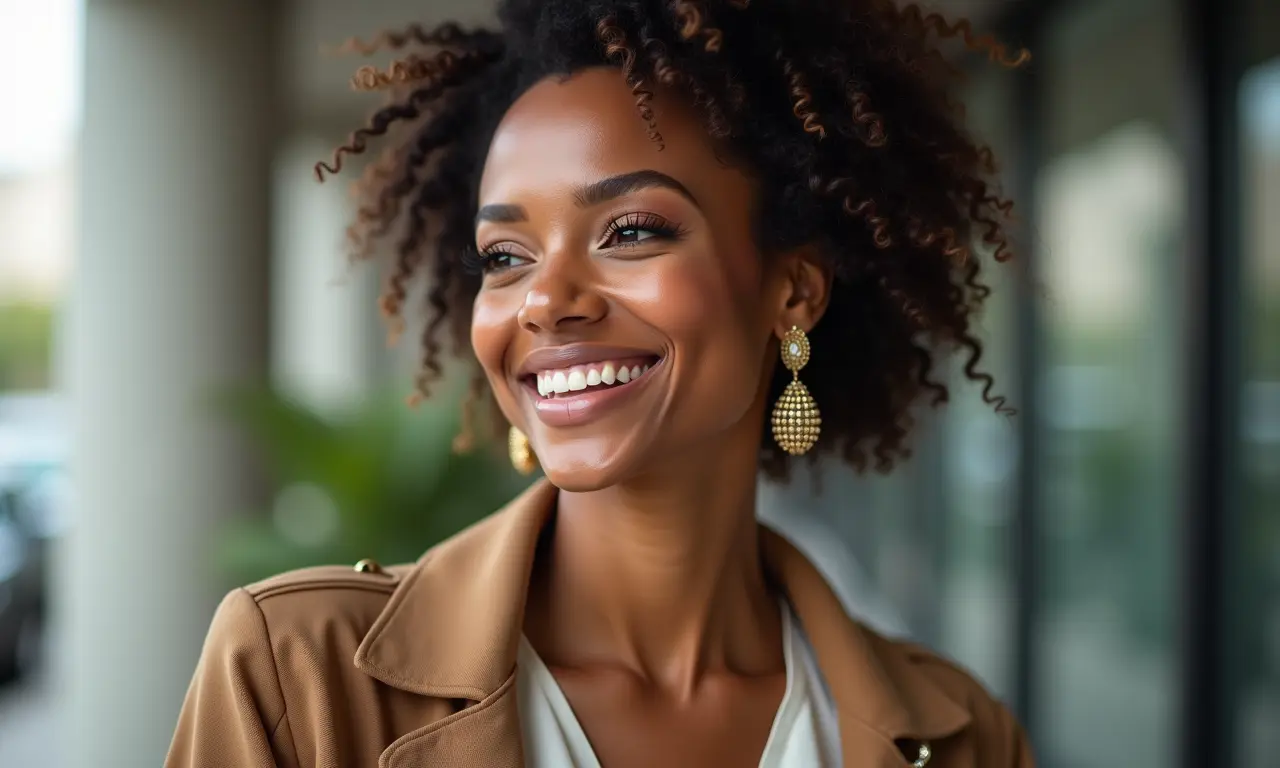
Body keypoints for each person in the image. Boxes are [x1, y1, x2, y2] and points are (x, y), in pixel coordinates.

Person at [167, 1, 1031, 765]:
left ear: (792, 291)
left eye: (632, 230)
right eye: (505, 256)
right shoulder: (296, 678)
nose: (544, 301)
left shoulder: (965, 737)